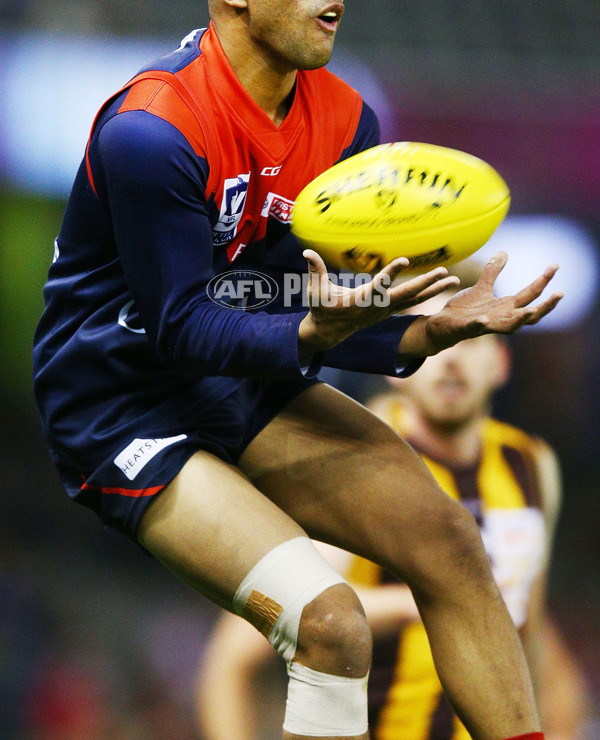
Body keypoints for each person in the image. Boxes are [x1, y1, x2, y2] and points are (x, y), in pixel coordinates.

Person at [33, 0, 563, 740]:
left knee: (457, 549)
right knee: (331, 625)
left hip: (244, 376)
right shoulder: (152, 130)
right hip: (123, 401)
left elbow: (307, 297)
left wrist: (427, 329)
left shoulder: (345, 122)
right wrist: (313, 333)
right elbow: (184, 324)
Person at [196, 261, 589, 740]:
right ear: (398, 366)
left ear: (501, 361)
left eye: (471, 338)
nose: (451, 359)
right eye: (438, 338)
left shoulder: (531, 465)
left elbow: (528, 628)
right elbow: (232, 661)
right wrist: (413, 600)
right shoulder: (353, 462)